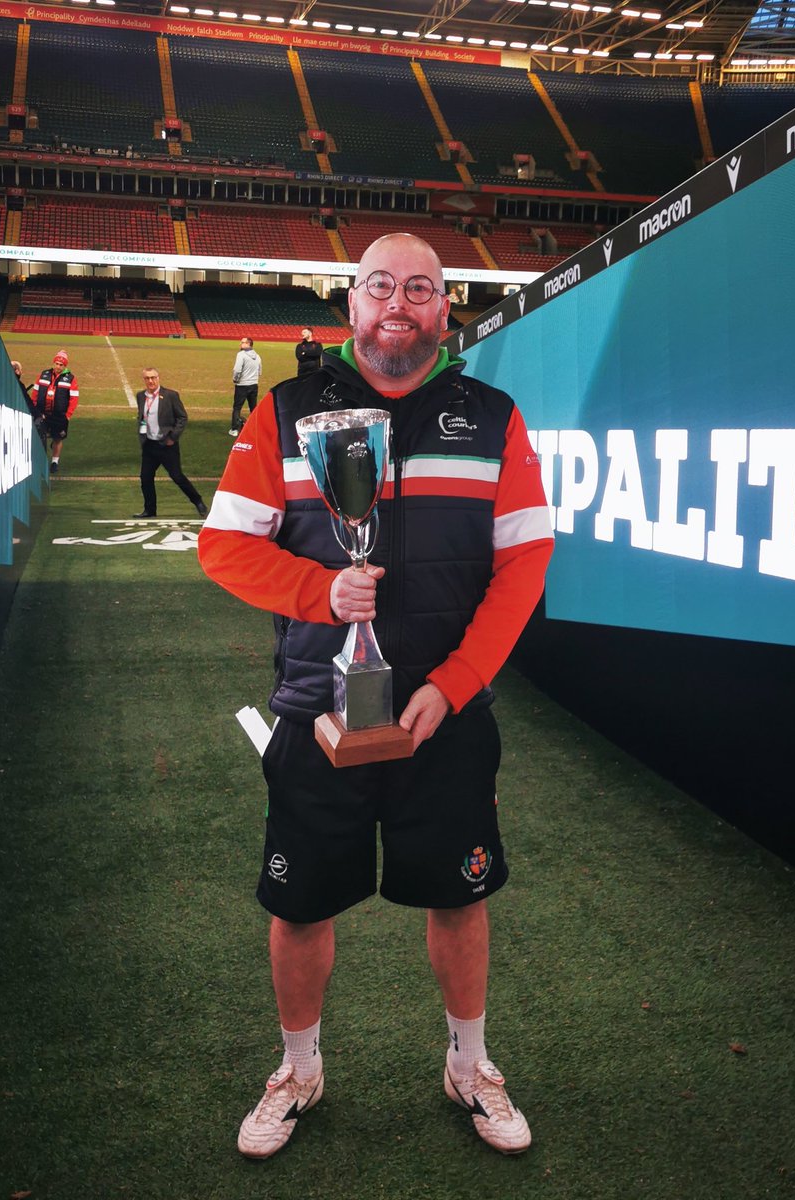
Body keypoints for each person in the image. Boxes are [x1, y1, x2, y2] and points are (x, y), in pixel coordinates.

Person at [198, 233, 553, 1160]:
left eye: (422, 288)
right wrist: (320, 593)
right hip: (319, 710)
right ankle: (299, 1066)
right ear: (351, 304)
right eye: (381, 286)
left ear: (447, 306)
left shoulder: (495, 416)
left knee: (460, 898)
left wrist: (456, 683)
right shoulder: (284, 411)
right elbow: (225, 544)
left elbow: (523, 566)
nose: (401, 303)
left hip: (447, 716)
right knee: (300, 905)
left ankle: (468, 1062)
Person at [133, 367, 208, 519]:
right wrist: (142, 436)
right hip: (149, 445)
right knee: (145, 478)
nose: (151, 381)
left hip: (167, 445)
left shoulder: (170, 395)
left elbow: (182, 417)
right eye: (147, 378)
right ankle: (150, 509)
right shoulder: (141, 396)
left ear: (158, 378)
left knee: (177, 476)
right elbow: (141, 417)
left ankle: (198, 502)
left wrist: (172, 437)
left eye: (153, 377)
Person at [31, 349, 78, 475]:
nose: (58, 366)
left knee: (57, 438)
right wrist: (34, 410)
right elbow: (35, 392)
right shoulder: (44, 374)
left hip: (59, 415)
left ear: (65, 365)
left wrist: (68, 415)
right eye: (56, 363)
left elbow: (74, 398)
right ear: (54, 363)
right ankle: (39, 461)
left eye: (61, 364)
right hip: (42, 413)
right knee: (40, 436)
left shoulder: (70, 379)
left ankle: (54, 462)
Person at [229, 336, 262, 436]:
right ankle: (255, 428)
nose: (240, 344)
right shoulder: (257, 356)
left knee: (237, 407)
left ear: (248, 344)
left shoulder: (241, 355)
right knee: (253, 408)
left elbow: (237, 369)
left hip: (242, 385)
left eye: (243, 342)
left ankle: (234, 429)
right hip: (254, 384)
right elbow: (260, 371)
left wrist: (235, 379)